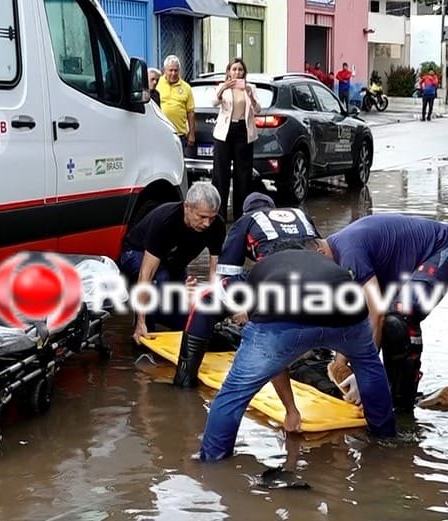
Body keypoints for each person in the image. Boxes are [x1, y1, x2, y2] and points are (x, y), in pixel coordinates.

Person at [197, 246, 397, 461]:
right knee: (368, 364)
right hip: (348, 313)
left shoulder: (255, 277)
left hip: (288, 319)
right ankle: (386, 438)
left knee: (235, 391)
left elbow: (276, 364)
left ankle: (212, 460)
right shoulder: (321, 262)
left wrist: (291, 410)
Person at [304, 213, 448, 415]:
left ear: (320, 253)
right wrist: (340, 364)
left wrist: (364, 374)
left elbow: (376, 313)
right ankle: (397, 395)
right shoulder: (339, 255)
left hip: (444, 249)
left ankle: (402, 407)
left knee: (398, 318)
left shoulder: (349, 252)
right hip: (412, 266)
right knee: (387, 320)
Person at [172, 192, 321, 387]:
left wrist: (239, 311)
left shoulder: (246, 221)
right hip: (320, 280)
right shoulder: (300, 215)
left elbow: (225, 276)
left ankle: (184, 380)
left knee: (205, 302)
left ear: (246, 211)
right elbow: (322, 250)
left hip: (277, 275)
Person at [119, 182, 226, 344]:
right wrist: (141, 321)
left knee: (185, 320)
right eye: (202, 217)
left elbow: (215, 272)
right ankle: (144, 324)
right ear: (187, 207)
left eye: (211, 218)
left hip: (171, 261)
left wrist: (216, 312)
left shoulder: (216, 226)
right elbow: (146, 274)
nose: (207, 224)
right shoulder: (165, 221)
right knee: (160, 281)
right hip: (136, 252)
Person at [211, 59, 261, 221]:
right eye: (234, 69)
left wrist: (250, 95)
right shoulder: (223, 87)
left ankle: (241, 214)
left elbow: (258, 109)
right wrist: (222, 89)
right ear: (228, 71)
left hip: (243, 132)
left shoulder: (250, 87)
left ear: (244, 72)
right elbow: (213, 103)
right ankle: (220, 214)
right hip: (225, 132)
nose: (237, 72)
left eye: (240, 70)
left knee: (243, 174)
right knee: (221, 173)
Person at [156, 55, 196, 151]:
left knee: (178, 164)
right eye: (170, 70)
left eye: (176, 70)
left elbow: (191, 113)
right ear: (164, 70)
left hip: (179, 135)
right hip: (160, 133)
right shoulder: (157, 83)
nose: (173, 73)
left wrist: (192, 134)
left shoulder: (186, 88)